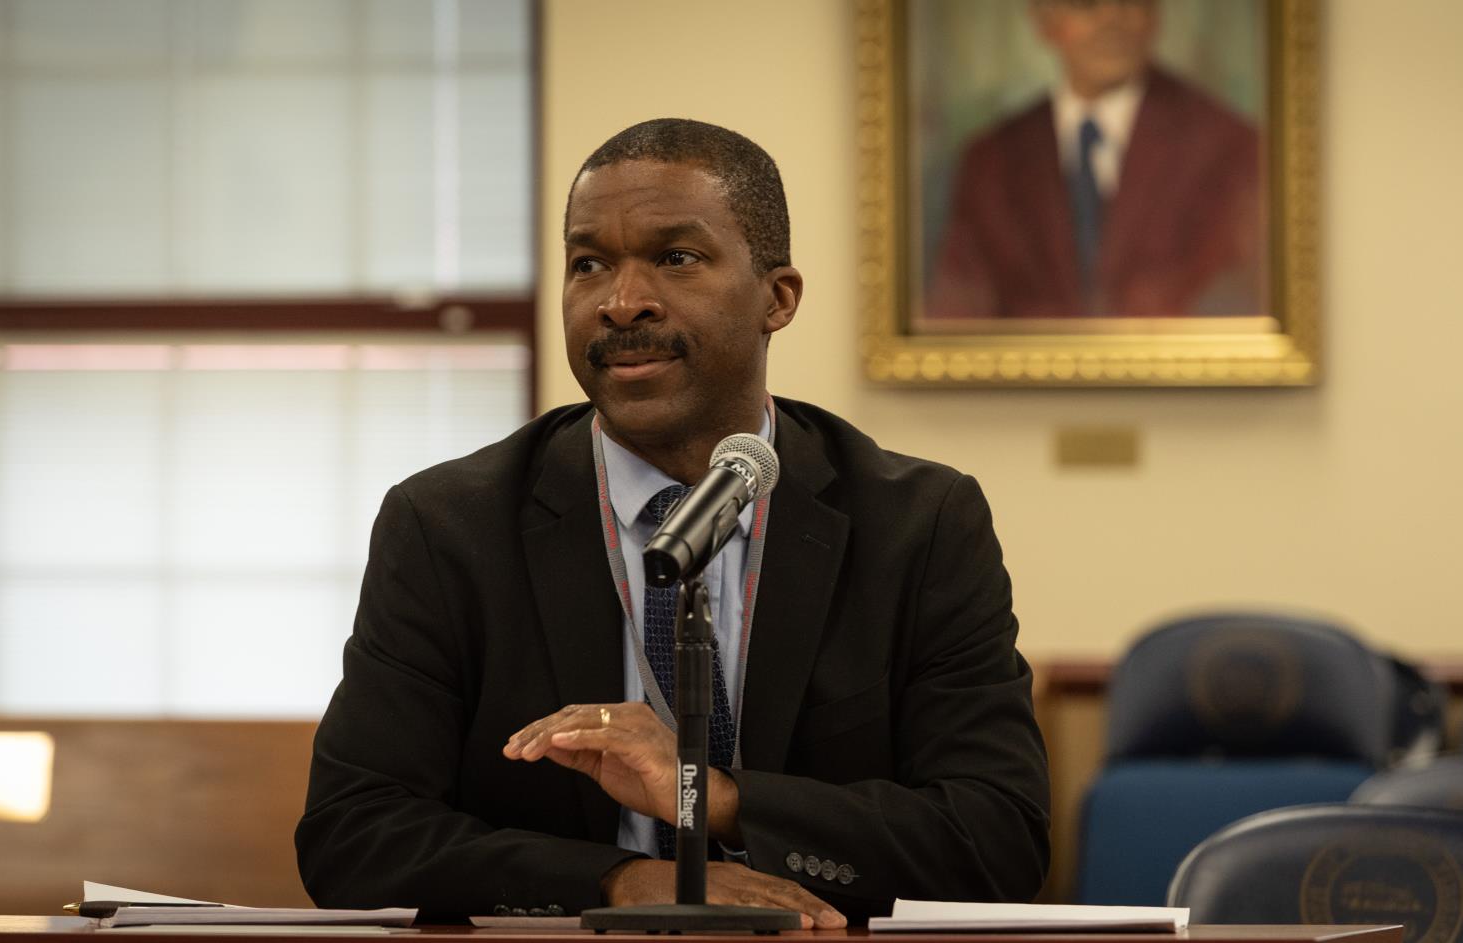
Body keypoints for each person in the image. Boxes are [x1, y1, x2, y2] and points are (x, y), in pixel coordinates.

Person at [294, 118, 1050, 927]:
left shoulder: (918, 523)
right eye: (589, 264)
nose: (622, 302)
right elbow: (354, 833)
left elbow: (997, 838)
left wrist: (715, 800)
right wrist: (621, 880)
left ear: (778, 297)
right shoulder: (449, 525)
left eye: (676, 258)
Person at [925, 0, 1262, 320]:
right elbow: (955, 317)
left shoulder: (1226, 145)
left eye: (1131, 1)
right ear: (1045, 20)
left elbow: (1245, 304)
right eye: (1086, 3)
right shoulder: (992, 161)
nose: (1112, 19)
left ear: (1154, 15)